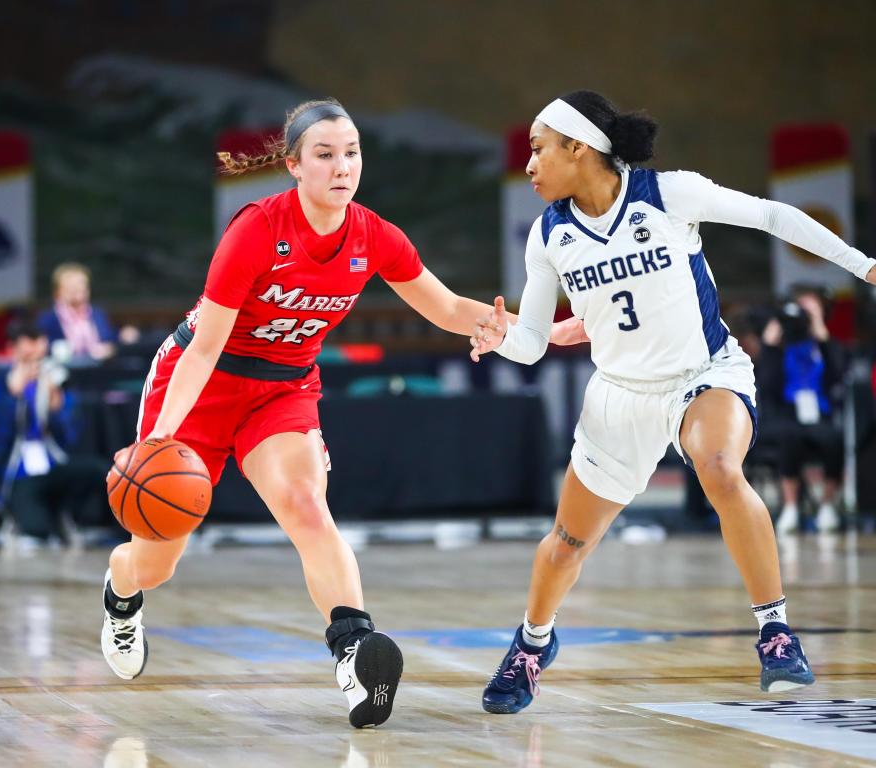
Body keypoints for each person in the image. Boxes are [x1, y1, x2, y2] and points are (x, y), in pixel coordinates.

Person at [98, 97, 587, 729]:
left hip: (282, 390)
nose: (342, 166)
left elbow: (445, 308)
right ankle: (121, 587)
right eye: (325, 155)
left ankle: (355, 649)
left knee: (306, 504)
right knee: (156, 560)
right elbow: (207, 346)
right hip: (201, 381)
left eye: (351, 152)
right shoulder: (255, 229)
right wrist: (160, 439)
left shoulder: (375, 235)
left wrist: (546, 331)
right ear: (295, 166)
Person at [469, 90, 876, 712]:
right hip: (619, 396)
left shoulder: (666, 194)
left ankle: (775, 631)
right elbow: (531, 345)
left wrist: (864, 265)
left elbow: (773, 215)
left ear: (579, 149)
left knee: (718, 465)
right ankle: (532, 643)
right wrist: (504, 338)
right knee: (567, 545)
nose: (528, 164)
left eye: (538, 148)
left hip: (704, 372)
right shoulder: (549, 235)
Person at [0, 316, 109, 546]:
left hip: (52, 462)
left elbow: (71, 436)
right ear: (13, 349)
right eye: (27, 352)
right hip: (19, 471)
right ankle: (34, 518)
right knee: (36, 531)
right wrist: (12, 396)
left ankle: (65, 513)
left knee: (99, 472)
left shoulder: (56, 379)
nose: (33, 362)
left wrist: (58, 409)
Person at [757, 288, 846, 533]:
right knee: (789, 436)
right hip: (786, 415)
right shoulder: (779, 345)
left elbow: (837, 377)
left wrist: (820, 333)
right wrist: (769, 346)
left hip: (819, 414)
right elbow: (767, 385)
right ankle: (791, 507)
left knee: (835, 439)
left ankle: (827, 505)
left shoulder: (824, 344)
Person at [37, 263, 122, 362]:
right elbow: (45, 348)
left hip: (100, 368)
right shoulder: (48, 319)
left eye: (82, 284)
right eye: (72, 286)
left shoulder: (97, 314)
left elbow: (109, 339)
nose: (79, 289)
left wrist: (119, 338)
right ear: (58, 292)